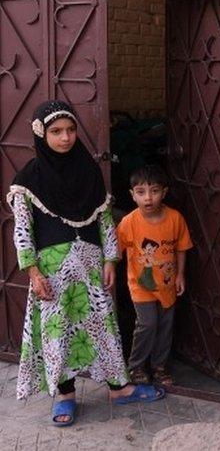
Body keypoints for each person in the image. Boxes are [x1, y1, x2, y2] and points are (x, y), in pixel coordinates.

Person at [9, 100, 164, 427]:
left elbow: (105, 220)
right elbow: (22, 229)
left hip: (91, 268)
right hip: (52, 273)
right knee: (59, 332)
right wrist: (33, 272)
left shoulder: (89, 172)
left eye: (70, 130)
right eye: (56, 132)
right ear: (41, 134)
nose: (65, 138)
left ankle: (118, 388)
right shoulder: (29, 179)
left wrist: (111, 258)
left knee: (103, 327)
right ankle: (65, 396)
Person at [116, 165, 192, 387]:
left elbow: (181, 248)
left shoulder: (175, 219)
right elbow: (115, 251)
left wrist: (180, 275)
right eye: (140, 192)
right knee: (148, 324)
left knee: (165, 326)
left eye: (154, 191)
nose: (148, 198)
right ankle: (137, 366)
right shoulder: (129, 222)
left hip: (167, 284)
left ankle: (160, 367)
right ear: (132, 195)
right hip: (141, 285)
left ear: (164, 192)